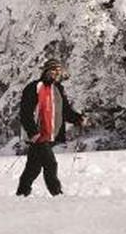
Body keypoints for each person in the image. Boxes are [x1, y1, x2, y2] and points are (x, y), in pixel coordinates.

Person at [16, 57, 87, 197]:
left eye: (58, 71)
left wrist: (78, 118)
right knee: (51, 164)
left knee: (33, 167)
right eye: (53, 70)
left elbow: (65, 111)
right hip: (37, 135)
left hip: (50, 134)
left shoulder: (58, 89)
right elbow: (25, 113)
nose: (56, 74)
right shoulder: (33, 87)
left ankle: (22, 193)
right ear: (46, 71)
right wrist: (32, 132)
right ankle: (57, 194)